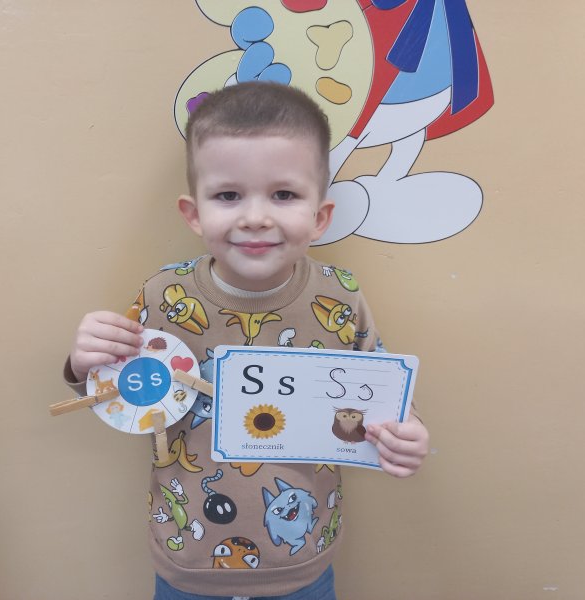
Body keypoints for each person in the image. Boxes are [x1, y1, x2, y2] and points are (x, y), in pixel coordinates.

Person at [65, 81, 429, 600]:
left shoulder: (341, 297)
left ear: (320, 216)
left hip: (302, 558)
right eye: (228, 195)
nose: (255, 217)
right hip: (187, 559)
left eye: (284, 195)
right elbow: (119, 394)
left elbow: (383, 395)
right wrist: (85, 364)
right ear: (194, 213)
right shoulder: (162, 296)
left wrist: (406, 433)